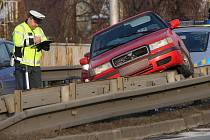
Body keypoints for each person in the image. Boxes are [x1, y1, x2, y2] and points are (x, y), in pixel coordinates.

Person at [12, 10, 50, 90]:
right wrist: (33, 40)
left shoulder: (39, 30)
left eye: (38, 23)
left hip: (35, 67)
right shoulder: (20, 28)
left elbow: (44, 40)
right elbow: (18, 43)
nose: (37, 25)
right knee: (22, 91)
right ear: (30, 19)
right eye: (36, 22)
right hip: (22, 66)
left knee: (36, 91)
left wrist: (45, 45)